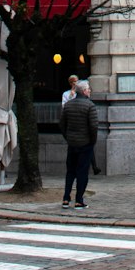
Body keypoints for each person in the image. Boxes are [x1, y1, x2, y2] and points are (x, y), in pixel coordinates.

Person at [59, 81, 98, 209]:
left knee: (70, 171)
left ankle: (66, 198)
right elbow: (93, 126)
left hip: (72, 143)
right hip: (85, 143)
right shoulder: (90, 106)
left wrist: (68, 137)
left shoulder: (68, 105)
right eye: (89, 90)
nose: (90, 91)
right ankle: (79, 200)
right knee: (82, 172)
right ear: (85, 91)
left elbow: (62, 124)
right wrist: (92, 140)